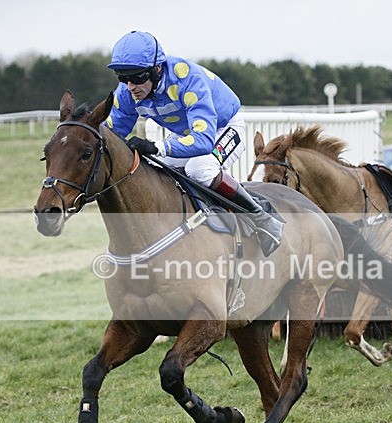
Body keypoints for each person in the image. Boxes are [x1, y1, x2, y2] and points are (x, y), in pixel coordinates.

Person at [105, 30, 283, 256]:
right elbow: (112, 133)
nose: (130, 86)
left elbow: (204, 140)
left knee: (200, 168)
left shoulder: (187, 79)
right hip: (189, 133)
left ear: (157, 69)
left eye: (138, 77)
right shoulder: (128, 92)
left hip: (222, 127)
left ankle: (262, 217)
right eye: (123, 78)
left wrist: (159, 146)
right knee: (153, 167)